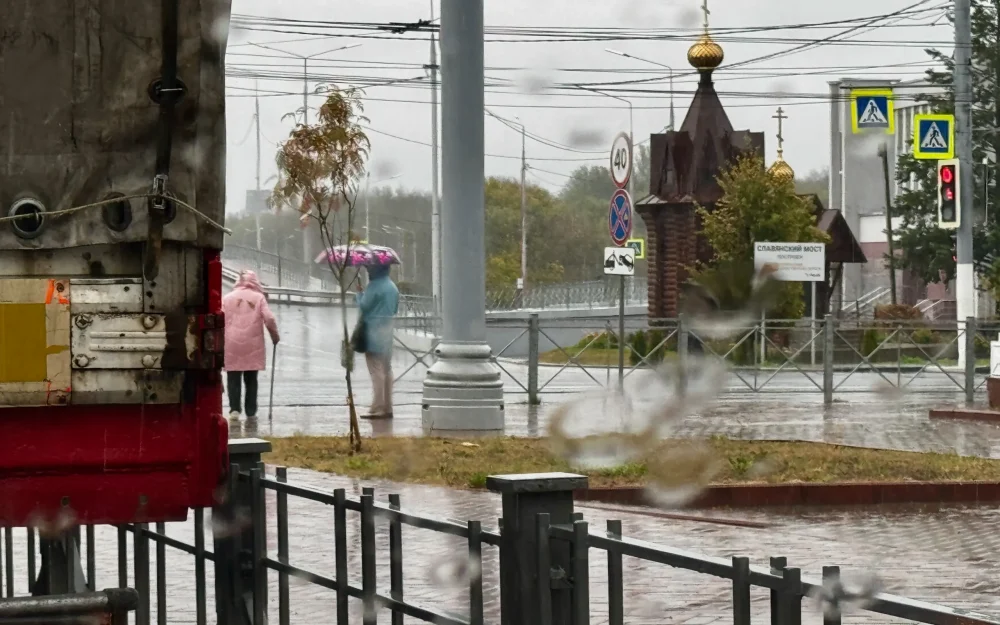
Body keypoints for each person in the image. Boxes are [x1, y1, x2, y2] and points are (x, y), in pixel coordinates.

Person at [223, 270, 279, 426]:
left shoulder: (227, 298)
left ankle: (234, 410)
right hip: (252, 344)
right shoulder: (259, 298)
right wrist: (275, 336)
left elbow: (219, 318)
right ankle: (251, 411)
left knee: (233, 377)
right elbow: (269, 318)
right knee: (251, 379)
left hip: (231, 343)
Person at [356, 264, 399, 418]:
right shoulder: (393, 287)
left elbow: (364, 306)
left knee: (376, 370)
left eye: (370, 269)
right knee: (387, 369)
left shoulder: (374, 286)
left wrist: (359, 294)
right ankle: (388, 406)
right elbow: (395, 309)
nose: (368, 271)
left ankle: (378, 407)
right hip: (388, 332)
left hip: (373, 332)